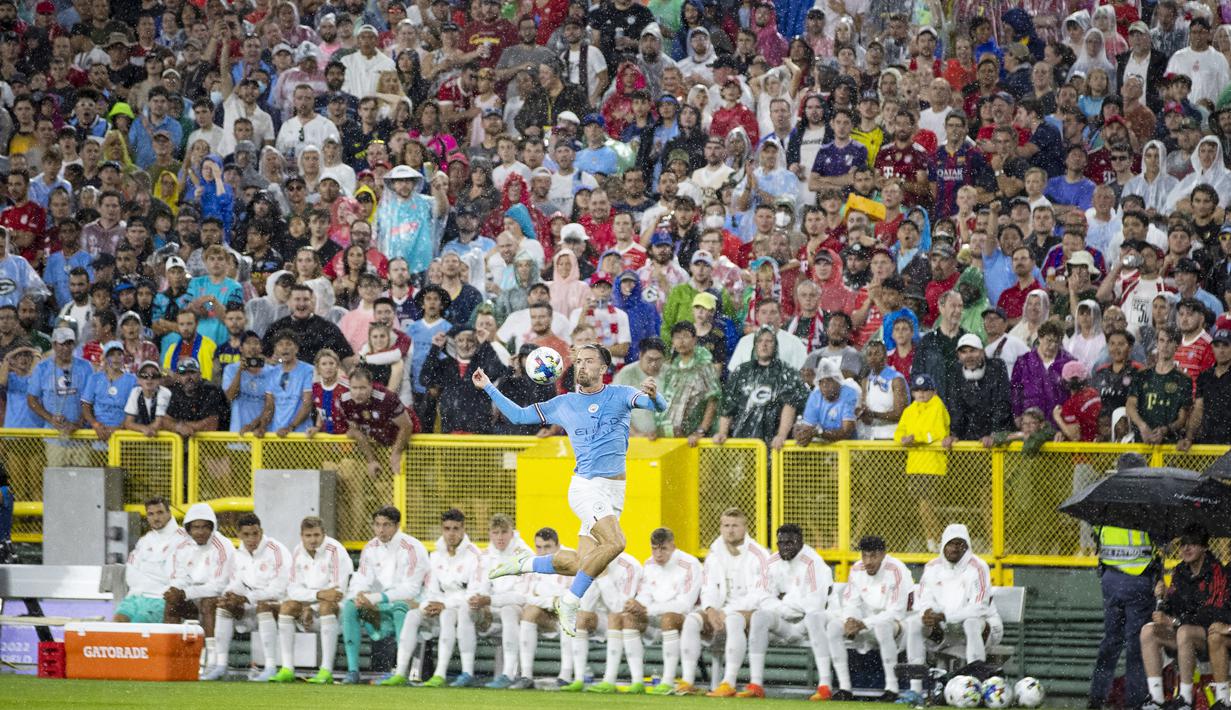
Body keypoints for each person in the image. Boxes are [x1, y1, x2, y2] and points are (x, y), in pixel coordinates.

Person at [473, 343, 665, 635]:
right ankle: (570, 601)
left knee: (581, 564)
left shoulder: (621, 394)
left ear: (603, 369)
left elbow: (656, 406)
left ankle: (526, 563)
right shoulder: (563, 403)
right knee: (616, 544)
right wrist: (488, 386)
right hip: (586, 488)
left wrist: (655, 395)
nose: (582, 366)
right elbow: (519, 416)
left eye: (589, 361)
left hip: (615, 492)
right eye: (579, 361)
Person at [1088, 452, 1160, 710]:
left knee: (1110, 641)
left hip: (1110, 579)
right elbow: (1158, 537)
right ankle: (1135, 700)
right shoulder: (1149, 501)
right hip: (1138, 579)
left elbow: (1097, 534)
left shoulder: (1103, 499)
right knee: (1137, 644)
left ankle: (1097, 697)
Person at [675, 507, 769, 697]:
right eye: (726, 525)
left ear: (745, 527)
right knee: (693, 619)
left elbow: (760, 595)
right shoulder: (714, 553)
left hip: (751, 611)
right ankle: (687, 681)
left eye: (735, 525)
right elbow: (708, 587)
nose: (730, 530)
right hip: (719, 611)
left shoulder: (760, 555)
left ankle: (728, 683)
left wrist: (726, 611)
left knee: (733, 619)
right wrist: (709, 609)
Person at [904, 524, 1002, 701]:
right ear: (943, 545)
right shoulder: (932, 567)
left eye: (960, 544)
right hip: (947, 630)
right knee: (913, 623)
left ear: (967, 546)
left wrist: (945, 616)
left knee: (971, 622)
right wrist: (927, 612)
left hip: (985, 627)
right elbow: (924, 599)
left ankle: (976, 684)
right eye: (951, 543)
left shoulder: (978, 567)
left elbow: (980, 607)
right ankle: (915, 690)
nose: (955, 548)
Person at [388, 509, 483, 687]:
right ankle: (400, 672)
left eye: (456, 529)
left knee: (448, 615)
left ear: (464, 529)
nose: (451, 533)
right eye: (447, 529)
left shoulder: (475, 556)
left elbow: (473, 595)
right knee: (412, 615)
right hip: (440, 606)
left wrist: (444, 604)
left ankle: (439, 675)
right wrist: (428, 605)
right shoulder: (435, 555)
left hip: (468, 611)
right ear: (442, 529)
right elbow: (431, 590)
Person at [338, 506, 429, 685]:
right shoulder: (370, 547)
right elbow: (362, 578)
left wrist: (376, 598)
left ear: (397, 526)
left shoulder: (412, 548)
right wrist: (360, 594)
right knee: (350, 606)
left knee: (400, 607)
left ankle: (401, 674)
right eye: (377, 524)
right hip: (380, 603)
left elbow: (410, 589)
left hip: (411, 604)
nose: (381, 530)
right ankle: (353, 671)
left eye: (386, 525)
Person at [742, 523, 834, 700]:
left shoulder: (813, 562)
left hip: (807, 624)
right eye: (781, 543)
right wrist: (783, 606)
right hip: (784, 623)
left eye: (790, 543)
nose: (785, 547)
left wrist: (784, 599)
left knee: (814, 618)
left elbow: (816, 604)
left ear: (801, 542)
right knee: (759, 616)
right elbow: (760, 597)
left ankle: (824, 686)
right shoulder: (773, 561)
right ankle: (756, 685)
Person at [1140, 525, 1227, 710]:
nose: (1186, 549)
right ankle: (1156, 699)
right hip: (1181, 635)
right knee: (1148, 631)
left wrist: (1175, 622)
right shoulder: (1180, 571)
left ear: (1204, 548)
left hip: (1207, 639)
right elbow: (1172, 608)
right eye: (1183, 545)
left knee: (1185, 632)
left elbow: (1213, 614)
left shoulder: (1217, 571)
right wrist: (1162, 599)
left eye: (1193, 544)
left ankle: (1185, 699)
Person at [202, 514, 292, 681]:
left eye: (255, 533)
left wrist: (246, 598)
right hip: (251, 606)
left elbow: (279, 590)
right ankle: (221, 665)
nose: (252, 539)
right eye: (246, 534)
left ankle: (270, 667)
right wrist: (229, 594)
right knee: (223, 606)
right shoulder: (238, 555)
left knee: (263, 606)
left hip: (278, 607)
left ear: (261, 531)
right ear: (239, 535)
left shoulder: (277, 551)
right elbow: (236, 582)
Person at [827, 535, 913, 701]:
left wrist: (864, 623)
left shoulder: (896, 570)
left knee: (883, 626)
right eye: (865, 555)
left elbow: (896, 612)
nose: (868, 561)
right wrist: (850, 620)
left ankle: (892, 689)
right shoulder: (857, 569)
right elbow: (851, 602)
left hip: (898, 624)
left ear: (882, 554)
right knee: (833, 628)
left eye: (873, 556)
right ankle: (845, 689)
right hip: (864, 623)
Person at [269, 516, 354, 684]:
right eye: (308, 536)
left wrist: (312, 606)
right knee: (286, 607)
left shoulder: (336, 550)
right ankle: (287, 669)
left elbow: (337, 592)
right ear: (301, 536)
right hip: (309, 605)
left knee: (326, 605)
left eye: (316, 535)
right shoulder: (297, 551)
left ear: (324, 534)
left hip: (338, 612)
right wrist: (316, 597)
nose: (312, 540)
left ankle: (326, 671)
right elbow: (293, 590)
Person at [622, 526, 703, 695]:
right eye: (654, 549)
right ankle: (637, 682)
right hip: (654, 615)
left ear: (673, 546)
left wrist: (646, 609)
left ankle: (667, 680)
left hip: (685, 620)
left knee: (668, 618)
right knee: (628, 618)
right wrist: (636, 605)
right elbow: (645, 595)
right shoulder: (649, 563)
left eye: (663, 549)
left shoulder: (690, 564)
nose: (658, 554)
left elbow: (685, 605)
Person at [164, 503, 236, 672]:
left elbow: (219, 586)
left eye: (205, 527)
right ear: (188, 529)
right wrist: (174, 590)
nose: (200, 532)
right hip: (192, 598)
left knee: (208, 602)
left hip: (223, 601)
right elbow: (179, 577)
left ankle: (211, 659)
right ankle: (172, 657)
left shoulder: (222, 546)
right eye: (195, 527)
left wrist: (185, 593)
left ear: (212, 527)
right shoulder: (182, 547)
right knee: (171, 604)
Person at [564, 549, 643, 693]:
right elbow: (586, 605)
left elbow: (620, 607)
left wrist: (602, 576)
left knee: (617, 616)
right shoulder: (589, 562)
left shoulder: (630, 566)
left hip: (634, 620)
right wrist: (593, 573)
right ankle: (578, 679)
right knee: (579, 617)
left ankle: (613, 680)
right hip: (605, 621)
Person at [507, 527, 575, 690]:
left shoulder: (572, 559)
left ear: (558, 545)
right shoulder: (534, 562)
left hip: (575, 617)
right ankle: (526, 675)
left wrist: (542, 595)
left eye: (547, 547)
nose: (542, 552)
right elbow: (526, 596)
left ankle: (566, 674)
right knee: (529, 611)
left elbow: (572, 598)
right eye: (539, 547)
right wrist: (549, 600)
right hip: (550, 616)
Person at [472, 515, 535, 689]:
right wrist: (478, 598)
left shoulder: (524, 554)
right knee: (464, 610)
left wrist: (490, 600)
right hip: (494, 608)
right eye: (495, 532)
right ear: (490, 534)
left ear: (512, 533)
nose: (500, 537)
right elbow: (481, 585)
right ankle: (465, 673)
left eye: (504, 532)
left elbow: (522, 596)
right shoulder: (486, 555)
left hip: (524, 610)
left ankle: (508, 673)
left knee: (509, 610)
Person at [895, 374, 953, 551]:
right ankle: (933, 539)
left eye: (925, 390)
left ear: (933, 391)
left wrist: (915, 439)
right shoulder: (910, 410)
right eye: (917, 390)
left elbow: (936, 433)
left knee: (928, 504)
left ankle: (936, 540)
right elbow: (899, 433)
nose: (921, 394)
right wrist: (903, 439)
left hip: (933, 464)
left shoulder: (937, 406)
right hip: (915, 464)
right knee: (923, 504)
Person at [28, 326, 93, 466]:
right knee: (57, 480)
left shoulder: (85, 367)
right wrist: (51, 418)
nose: (66, 347)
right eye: (62, 343)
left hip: (81, 436)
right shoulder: (42, 368)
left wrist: (79, 423)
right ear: (54, 345)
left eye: (69, 343)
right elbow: (31, 399)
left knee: (82, 480)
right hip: (54, 437)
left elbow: (91, 399)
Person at [113, 497, 183, 623]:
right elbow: (131, 574)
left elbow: (174, 577)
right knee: (117, 622)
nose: (156, 518)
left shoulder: (182, 539)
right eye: (151, 514)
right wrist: (156, 573)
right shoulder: (144, 541)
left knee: (139, 623)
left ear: (169, 513)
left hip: (160, 599)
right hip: (136, 596)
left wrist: (148, 573)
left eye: (160, 512)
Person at [949, 334, 1014, 444]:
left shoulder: (997, 367)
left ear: (982, 351)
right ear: (958, 355)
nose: (968, 356)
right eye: (963, 352)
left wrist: (995, 433)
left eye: (973, 350)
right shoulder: (956, 372)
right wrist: (954, 434)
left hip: (996, 438)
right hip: (968, 438)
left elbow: (1002, 403)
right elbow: (956, 407)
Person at [1182, 329, 1231, 448]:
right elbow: (1198, 410)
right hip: (1207, 442)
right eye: (1217, 346)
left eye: (1225, 345)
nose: (1221, 350)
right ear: (1212, 348)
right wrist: (1188, 438)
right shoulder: (1205, 376)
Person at [794, 360, 858, 445]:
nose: (824, 385)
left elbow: (846, 432)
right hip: (823, 451)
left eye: (829, 380)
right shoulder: (815, 396)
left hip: (847, 450)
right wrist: (802, 435)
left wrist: (818, 433)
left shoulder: (849, 393)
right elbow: (807, 428)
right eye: (821, 382)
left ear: (837, 381)